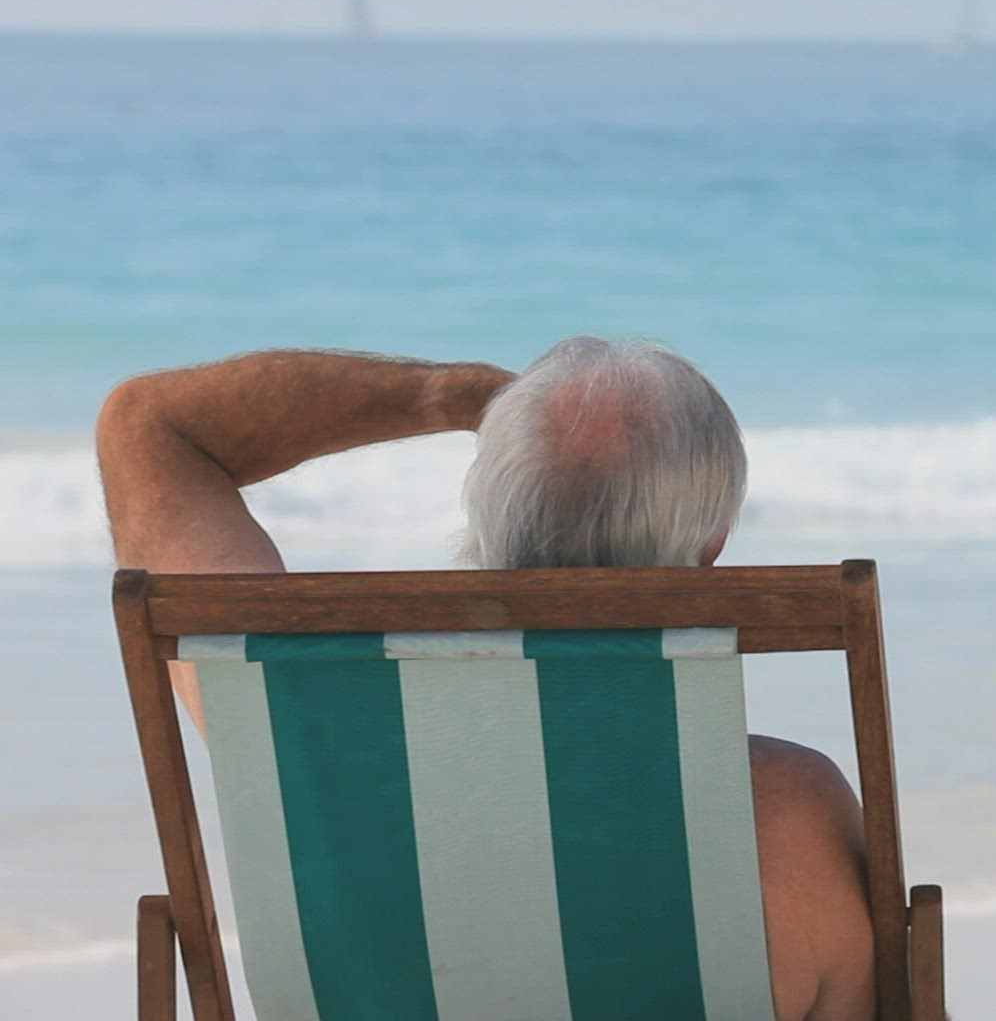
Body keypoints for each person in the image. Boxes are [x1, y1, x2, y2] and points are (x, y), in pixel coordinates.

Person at [97, 337, 877, 1021]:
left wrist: (453, 394)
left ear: (486, 525)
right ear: (713, 547)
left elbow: (150, 424)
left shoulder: (301, 739)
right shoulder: (788, 814)